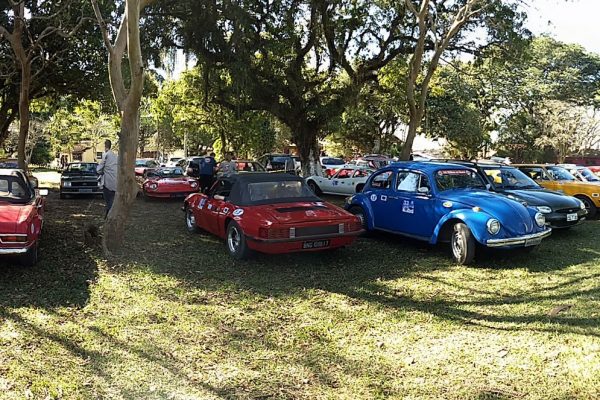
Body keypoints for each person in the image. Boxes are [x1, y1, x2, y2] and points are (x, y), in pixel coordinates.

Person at [97, 139, 118, 218]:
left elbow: (99, 169)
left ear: (105, 145)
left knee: (108, 200)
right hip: (115, 181)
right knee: (112, 199)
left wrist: (100, 172)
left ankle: (109, 215)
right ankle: (109, 214)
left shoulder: (105, 155)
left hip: (107, 182)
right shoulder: (115, 156)